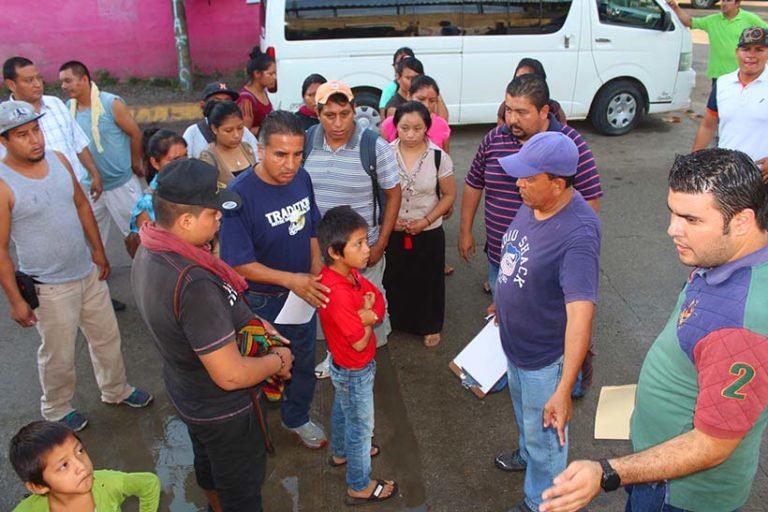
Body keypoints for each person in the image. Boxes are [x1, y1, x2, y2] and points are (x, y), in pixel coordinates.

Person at [540, 148, 768, 512]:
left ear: (742, 221)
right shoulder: (723, 256)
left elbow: (713, 445)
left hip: (678, 496)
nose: (672, 230)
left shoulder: (740, 325)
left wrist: (607, 473)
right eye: (673, 213)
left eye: (691, 219)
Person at [131, 158, 294, 512]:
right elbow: (231, 374)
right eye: (213, 213)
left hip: (189, 395)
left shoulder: (150, 248)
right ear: (186, 220)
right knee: (241, 491)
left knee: (210, 470)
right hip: (224, 413)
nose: (221, 217)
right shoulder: (194, 281)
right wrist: (277, 360)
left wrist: (256, 325)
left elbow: (217, 309)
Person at [0, 100, 152, 432]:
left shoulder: (58, 160)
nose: (35, 139)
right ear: (4, 141)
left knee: (107, 337)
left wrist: (99, 251)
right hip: (47, 286)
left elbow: (82, 204)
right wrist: (16, 300)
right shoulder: (3, 184)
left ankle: (116, 390)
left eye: (36, 130)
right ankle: (56, 408)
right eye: (22, 135)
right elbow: (0, 248)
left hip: (87, 271)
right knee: (58, 353)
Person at [488, 131, 600, 512]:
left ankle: (542, 501)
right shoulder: (533, 202)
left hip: (544, 359)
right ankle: (527, 452)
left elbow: (581, 315)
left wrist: (564, 388)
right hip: (516, 345)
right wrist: (504, 296)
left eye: (529, 178)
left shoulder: (578, 233)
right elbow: (518, 258)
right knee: (526, 418)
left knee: (549, 439)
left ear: (558, 183)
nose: (518, 183)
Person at [220, 111, 328, 450]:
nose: (291, 164)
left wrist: (313, 271)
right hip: (260, 300)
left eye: (298, 154)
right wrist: (291, 280)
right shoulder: (239, 196)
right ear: (260, 150)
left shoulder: (303, 179)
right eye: (281, 154)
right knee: (257, 364)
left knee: (302, 359)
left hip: (301, 294)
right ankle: (260, 409)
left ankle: (296, 417)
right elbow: (238, 264)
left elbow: (312, 229)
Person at [316, 205, 399, 506]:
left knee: (342, 409)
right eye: (359, 244)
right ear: (335, 252)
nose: (367, 249)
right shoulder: (337, 292)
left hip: (344, 366)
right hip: (355, 367)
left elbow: (376, 298)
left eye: (366, 241)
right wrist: (367, 319)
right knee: (361, 428)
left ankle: (340, 453)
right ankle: (359, 484)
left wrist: (369, 315)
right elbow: (363, 343)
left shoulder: (348, 273)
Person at [383, 102, 456, 348]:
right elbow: (378, 193)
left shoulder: (438, 157)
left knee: (429, 280)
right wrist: (390, 221)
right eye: (404, 128)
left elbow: (448, 195)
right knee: (394, 277)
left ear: (427, 127)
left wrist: (425, 220)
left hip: (428, 230)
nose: (411, 134)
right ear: (396, 127)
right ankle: (396, 321)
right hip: (393, 229)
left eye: (417, 128)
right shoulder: (385, 154)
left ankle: (430, 325)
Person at [58, 61, 144, 250]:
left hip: (121, 184)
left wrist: (135, 162)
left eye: (68, 81)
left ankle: (143, 274)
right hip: (90, 187)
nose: (64, 86)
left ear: (84, 79)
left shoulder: (111, 103)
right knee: (89, 239)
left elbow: (135, 134)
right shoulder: (67, 109)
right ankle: (98, 273)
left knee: (139, 236)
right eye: (62, 83)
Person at [2, 57, 102, 200]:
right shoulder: (5, 121)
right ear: (11, 84)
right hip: (40, 197)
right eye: (29, 80)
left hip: (77, 186)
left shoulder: (56, 104)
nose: (37, 84)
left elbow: (78, 143)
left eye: (39, 78)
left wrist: (94, 175)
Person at [9, 420, 160, 511]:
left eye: (80, 451)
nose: (81, 466)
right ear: (38, 487)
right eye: (64, 465)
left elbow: (149, 484)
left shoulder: (108, 483)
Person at [692, 27, 768, 170]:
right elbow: (708, 125)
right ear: (737, 52)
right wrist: (693, 161)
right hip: (726, 175)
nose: (751, 55)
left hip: (761, 176)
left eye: (759, 50)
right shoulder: (722, 83)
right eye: (746, 49)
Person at [666, 0, 767, 81]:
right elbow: (689, 22)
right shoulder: (712, 20)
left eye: (728, 1)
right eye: (723, 1)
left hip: (743, 74)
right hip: (719, 75)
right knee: (718, 106)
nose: (724, 4)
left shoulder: (749, 18)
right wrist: (676, 8)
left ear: (737, 3)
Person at [125, 129, 188, 257]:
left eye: (185, 157)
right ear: (155, 163)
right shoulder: (148, 205)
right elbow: (144, 254)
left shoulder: (193, 183)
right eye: (174, 160)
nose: (183, 164)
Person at [182, 81, 259, 158]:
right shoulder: (192, 133)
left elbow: (257, 158)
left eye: (227, 100)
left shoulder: (242, 131)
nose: (222, 105)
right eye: (216, 101)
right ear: (203, 104)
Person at [380, 75, 451, 152]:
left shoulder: (442, 125)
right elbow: (382, 158)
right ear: (409, 96)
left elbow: (445, 159)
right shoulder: (389, 124)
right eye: (421, 99)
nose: (427, 105)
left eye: (432, 100)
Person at [199, 101, 257, 186]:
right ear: (215, 129)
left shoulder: (247, 148)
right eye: (228, 130)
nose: (236, 135)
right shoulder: (208, 158)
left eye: (240, 128)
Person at [496, 58, 567, 127]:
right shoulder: (504, 108)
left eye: (522, 112)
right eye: (518, 79)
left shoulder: (555, 109)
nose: (513, 120)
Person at [238, 47, 276, 136]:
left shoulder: (263, 92)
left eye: (275, 74)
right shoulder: (246, 100)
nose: (274, 77)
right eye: (270, 74)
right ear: (257, 74)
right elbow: (244, 133)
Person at [378, 47, 415, 113]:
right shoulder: (390, 89)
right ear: (394, 66)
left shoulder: (425, 86)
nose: (403, 65)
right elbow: (384, 119)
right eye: (399, 63)